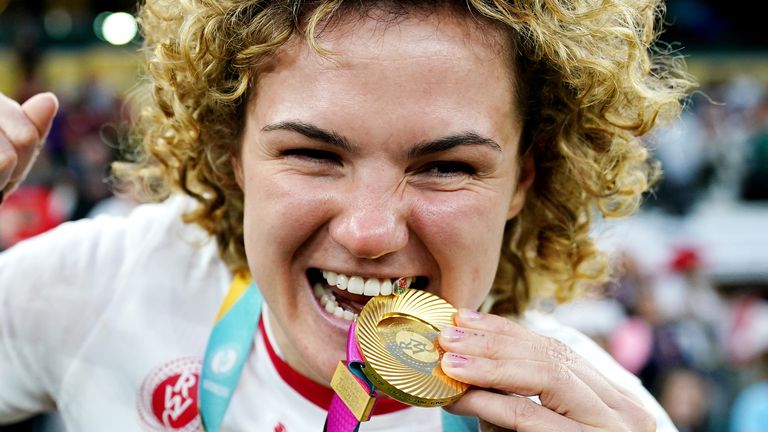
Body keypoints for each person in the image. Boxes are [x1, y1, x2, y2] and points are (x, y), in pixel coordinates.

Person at [0, 0, 694, 431]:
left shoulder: (593, 416)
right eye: (312, 154)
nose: (369, 232)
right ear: (231, 151)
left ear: (523, 179)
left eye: (446, 167)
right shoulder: (101, 287)